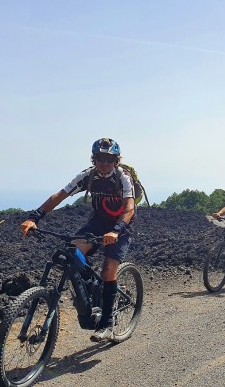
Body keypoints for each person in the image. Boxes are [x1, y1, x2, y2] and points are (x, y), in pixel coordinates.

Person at [19, 138, 136, 342]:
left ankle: (107, 323)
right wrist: (34, 217)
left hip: (121, 225)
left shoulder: (123, 177)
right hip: (98, 222)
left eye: (109, 159)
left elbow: (129, 209)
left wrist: (117, 230)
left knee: (108, 270)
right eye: (100, 158)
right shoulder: (87, 176)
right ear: (94, 158)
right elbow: (60, 195)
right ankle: (91, 287)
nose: (104, 163)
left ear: (116, 160)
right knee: (70, 252)